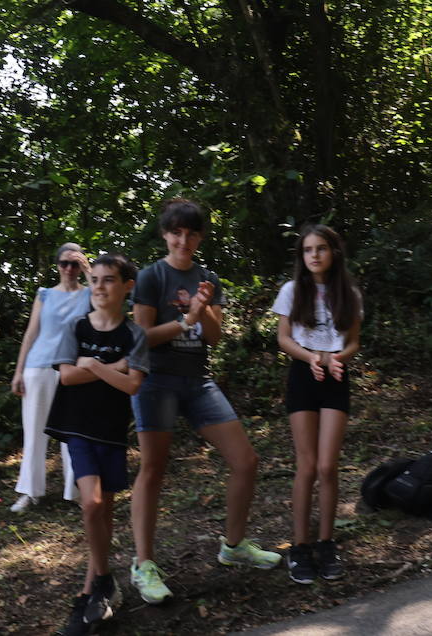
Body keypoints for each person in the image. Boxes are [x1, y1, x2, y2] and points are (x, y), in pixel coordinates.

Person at [128, 197, 280, 606]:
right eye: (177, 232)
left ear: (200, 237)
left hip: (197, 381)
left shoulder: (208, 278)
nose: (184, 240)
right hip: (156, 381)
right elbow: (141, 338)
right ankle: (144, 565)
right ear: (165, 234)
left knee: (245, 460)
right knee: (153, 470)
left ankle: (234, 546)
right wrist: (186, 319)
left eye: (192, 233)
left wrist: (204, 308)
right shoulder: (151, 276)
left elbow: (213, 338)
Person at [45, 253, 148, 635]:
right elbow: (67, 376)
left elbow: (132, 384)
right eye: (95, 280)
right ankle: (102, 581)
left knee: (105, 512)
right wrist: (112, 367)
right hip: (77, 427)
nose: (100, 287)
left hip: (112, 430)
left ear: (127, 287)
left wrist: (93, 364)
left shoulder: (134, 334)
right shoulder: (76, 327)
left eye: (109, 280)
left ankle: (95, 591)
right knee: (91, 503)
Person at [272, 224, 361, 585]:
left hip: (336, 378)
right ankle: (299, 546)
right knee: (307, 466)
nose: (314, 255)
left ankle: (326, 543)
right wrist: (311, 357)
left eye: (320, 248)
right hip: (303, 376)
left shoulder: (349, 293)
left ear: (333, 252)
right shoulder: (292, 291)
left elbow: (353, 342)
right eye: (308, 250)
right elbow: (283, 338)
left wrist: (339, 358)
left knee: (328, 466)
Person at [9, 243, 90, 512]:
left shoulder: (90, 293)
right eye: (64, 263)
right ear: (57, 265)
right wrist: (19, 371)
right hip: (38, 367)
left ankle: (75, 491)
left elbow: (107, 304)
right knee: (34, 431)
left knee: (73, 432)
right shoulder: (44, 294)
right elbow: (31, 333)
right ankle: (30, 492)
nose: (69, 269)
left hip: (72, 369)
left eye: (74, 263)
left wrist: (89, 272)